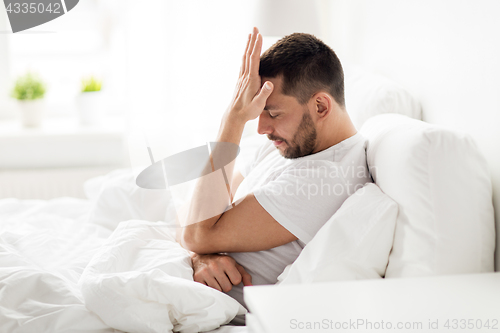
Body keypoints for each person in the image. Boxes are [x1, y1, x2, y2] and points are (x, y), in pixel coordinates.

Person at [178, 27, 371, 323]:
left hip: (201, 302)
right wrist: (199, 256)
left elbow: (195, 230)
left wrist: (234, 118)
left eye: (274, 113)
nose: (261, 128)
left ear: (320, 105)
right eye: (257, 112)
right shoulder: (292, 145)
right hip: (184, 275)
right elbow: (193, 216)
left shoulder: (324, 177)